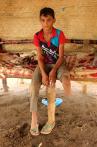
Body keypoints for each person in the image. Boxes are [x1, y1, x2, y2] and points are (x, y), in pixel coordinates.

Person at [30, 7, 71, 136]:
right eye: (43, 20)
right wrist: (43, 73)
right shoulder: (37, 36)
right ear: (40, 21)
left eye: (48, 20)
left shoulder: (59, 34)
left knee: (51, 85)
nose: (46, 23)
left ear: (54, 20)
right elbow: (40, 58)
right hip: (44, 64)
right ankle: (34, 121)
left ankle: (51, 120)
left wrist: (53, 71)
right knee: (33, 87)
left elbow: (61, 57)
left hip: (57, 64)